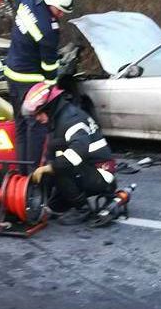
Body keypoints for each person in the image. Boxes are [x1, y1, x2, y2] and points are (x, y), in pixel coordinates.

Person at [4, 0, 76, 173]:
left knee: (20, 125)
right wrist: (50, 92)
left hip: (11, 74)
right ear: (51, 0)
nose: (61, 14)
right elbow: (49, 67)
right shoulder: (49, 29)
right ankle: (32, 177)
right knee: (36, 126)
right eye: (60, 9)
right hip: (31, 83)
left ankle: (20, 175)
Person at [21, 82, 117, 225]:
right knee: (54, 205)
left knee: (59, 167)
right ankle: (69, 197)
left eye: (38, 113)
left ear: (49, 108)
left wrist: (49, 168)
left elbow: (77, 154)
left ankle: (82, 209)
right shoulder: (60, 117)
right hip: (90, 168)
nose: (37, 118)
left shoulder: (71, 120)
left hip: (101, 172)